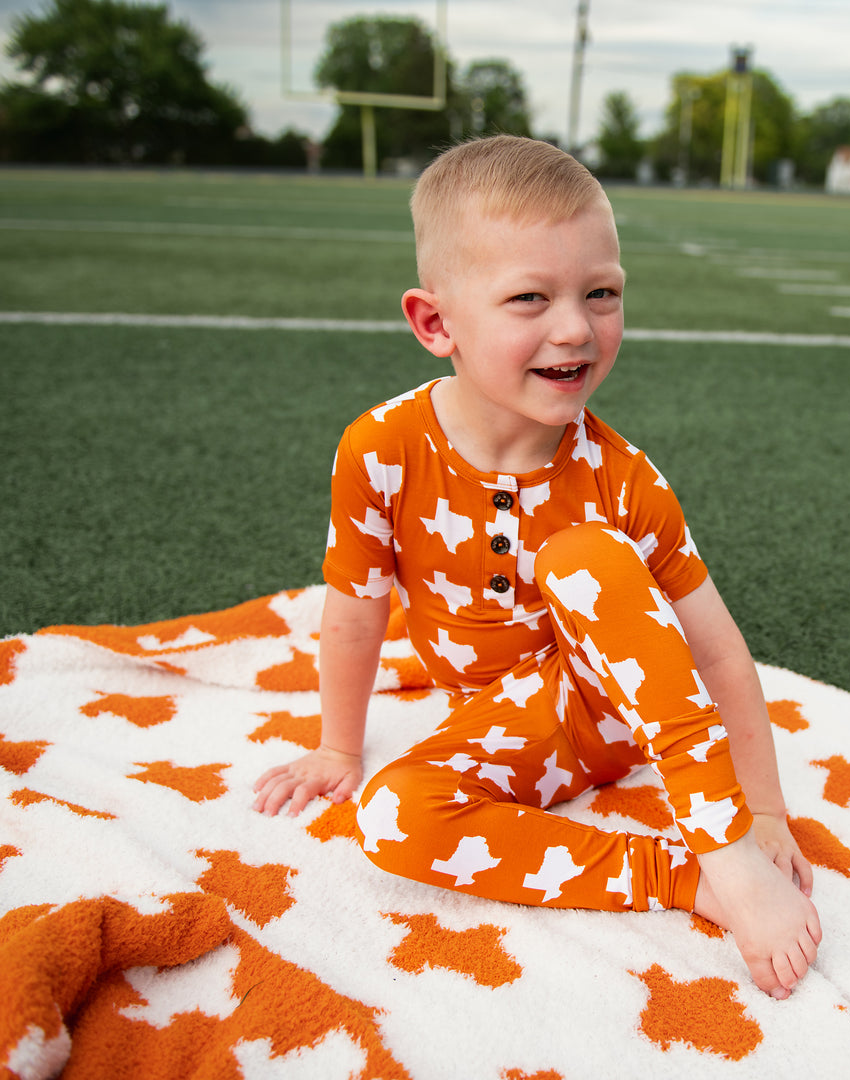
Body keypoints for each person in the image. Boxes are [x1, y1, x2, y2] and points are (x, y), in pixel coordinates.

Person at [254, 134, 821, 1000]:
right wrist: (338, 745)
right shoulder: (381, 449)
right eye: (530, 297)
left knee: (586, 552)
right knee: (393, 817)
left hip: (618, 713)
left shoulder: (624, 479)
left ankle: (725, 853)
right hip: (503, 728)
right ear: (435, 322)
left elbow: (714, 652)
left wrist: (765, 810)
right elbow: (357, 605)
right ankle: (682, 880)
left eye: (602, 293)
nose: (576, 327)